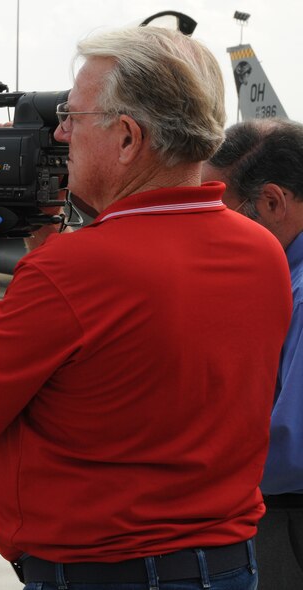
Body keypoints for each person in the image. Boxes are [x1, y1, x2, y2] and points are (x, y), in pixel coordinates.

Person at [0, 26, 292, 590]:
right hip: (227, 563)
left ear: (126, 138)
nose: (60, 132)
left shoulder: (76, 269)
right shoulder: (262, 249)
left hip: (107, 573)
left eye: (71, 115)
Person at [203, 118, 303, 590]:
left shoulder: (299, 294)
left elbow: (293, 444)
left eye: (219, 211)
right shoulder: (282, 275)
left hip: (284, 516)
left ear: (272, 202)